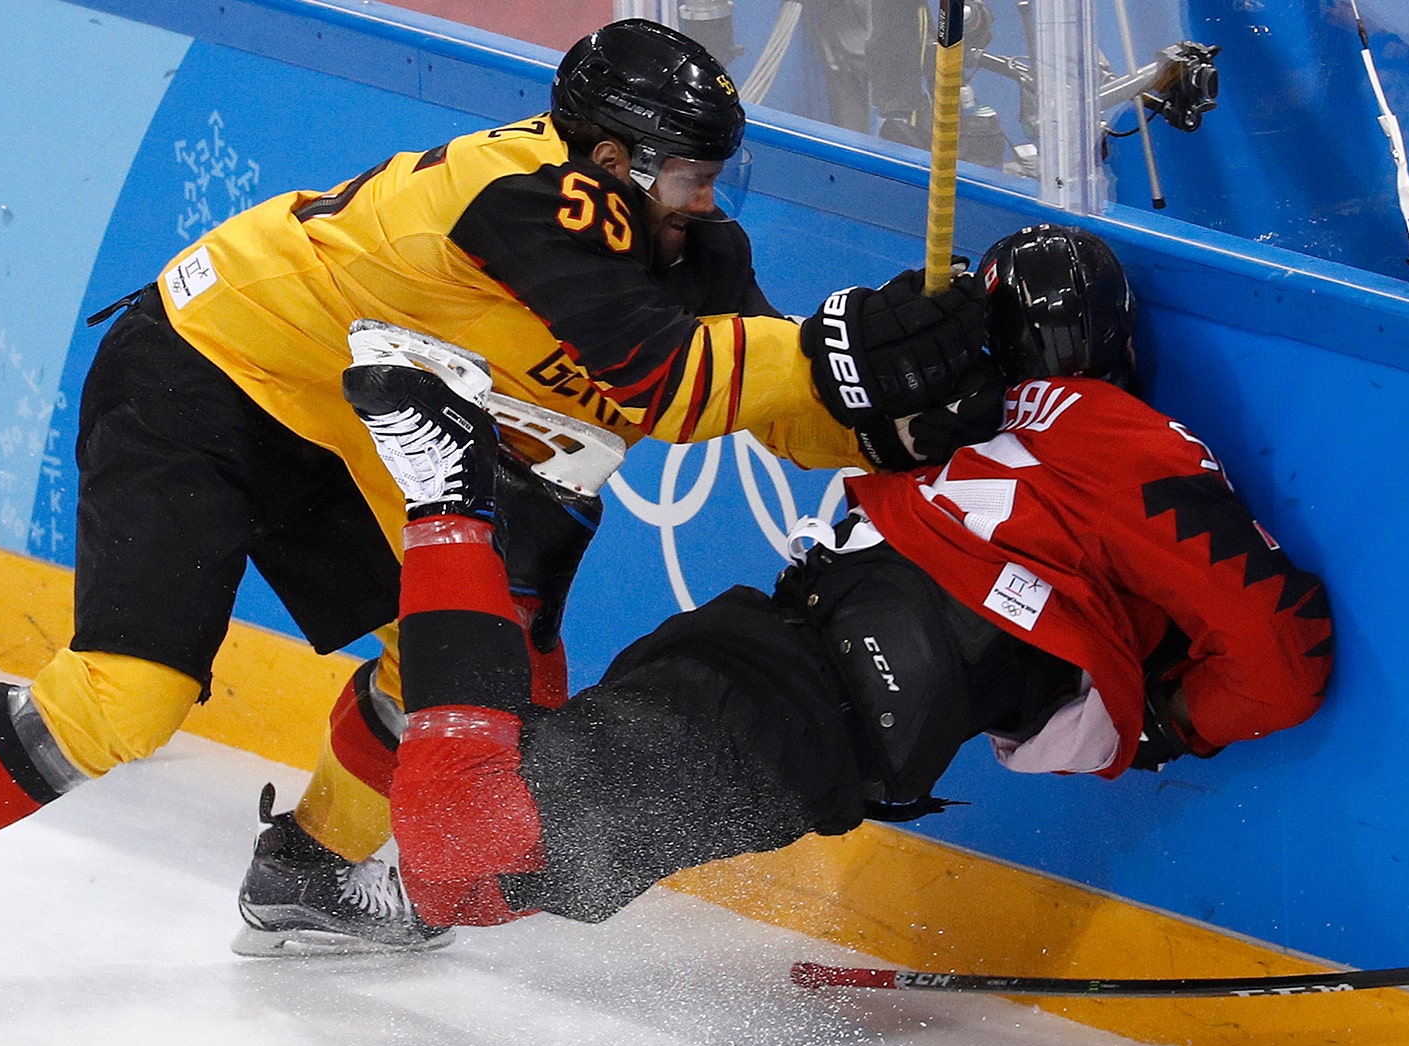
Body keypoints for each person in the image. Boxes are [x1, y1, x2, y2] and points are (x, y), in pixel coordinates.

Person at [0, 18, 992, 1046]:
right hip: (208, 376)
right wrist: (848, 356)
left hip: (345, 417)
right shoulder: (523, 201)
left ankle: (315, 872)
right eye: (693, 174)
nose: (712, 202)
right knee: (130, 697)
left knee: (459, 642)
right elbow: (665, 376)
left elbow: (773, 404)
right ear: (610, 159)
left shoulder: (683, 242)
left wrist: (899, 421)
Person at [340, 223, 1335, 931]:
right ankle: (456, 502)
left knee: (484, 858)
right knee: (472, 854)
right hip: (807, 714)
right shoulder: (1119, 436)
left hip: (759, 653)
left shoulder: (942, 419)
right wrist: (1174, 720)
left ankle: (524, 575)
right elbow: (1283, 654)